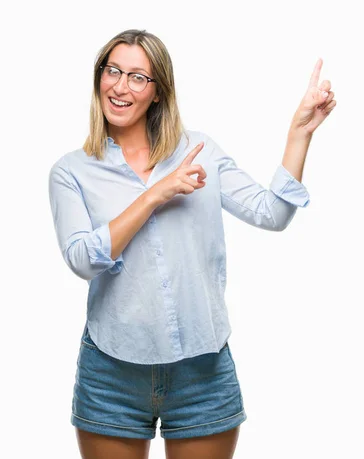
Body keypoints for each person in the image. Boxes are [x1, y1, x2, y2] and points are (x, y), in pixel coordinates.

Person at [47, 29, 336, 459]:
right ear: (99, 78)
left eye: (137, 77)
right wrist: (154, 195)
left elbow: (271, 213)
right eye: (113, 71)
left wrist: (300, 134)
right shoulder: (71, 171)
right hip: (111, 371)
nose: (120, 86)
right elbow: (82, 260)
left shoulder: (199, 151)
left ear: (158, 91)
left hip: (203, 368)